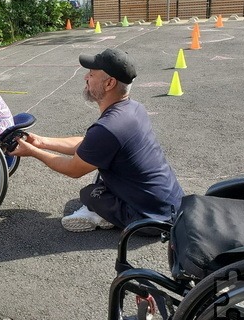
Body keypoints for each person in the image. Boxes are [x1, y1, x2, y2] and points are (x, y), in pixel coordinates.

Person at [10, 48, 184, 233]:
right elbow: (88, 146)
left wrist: (32, 152)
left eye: (91, 74)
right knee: (100, 170)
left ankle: (100, 215)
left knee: (89, 195)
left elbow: (73, 169)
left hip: (152, 219)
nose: (86, 77)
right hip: (171, 202)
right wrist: (41, 142)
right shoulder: (133, 108)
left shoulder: (108, 128)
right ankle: (109, 210)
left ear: (109, 83)